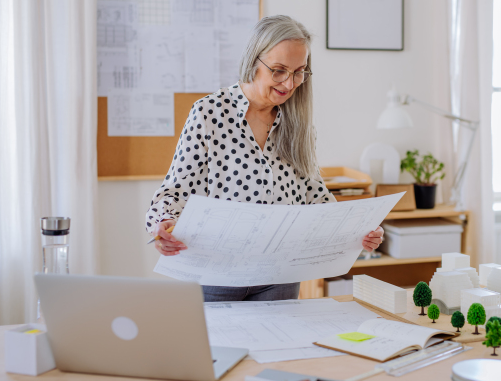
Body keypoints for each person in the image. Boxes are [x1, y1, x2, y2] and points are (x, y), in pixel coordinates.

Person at [145, 15, 384, 302]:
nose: (290, 83)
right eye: (279, 70)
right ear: (253, 61)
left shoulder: (299, 124)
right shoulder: (209, 113)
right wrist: (164, 223)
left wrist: (358, 232)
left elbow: (315, 195)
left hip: (279, 275)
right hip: (218, 273)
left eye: (299, 72)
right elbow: (175, 190)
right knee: (220, 348)